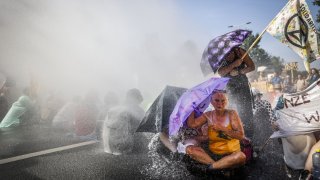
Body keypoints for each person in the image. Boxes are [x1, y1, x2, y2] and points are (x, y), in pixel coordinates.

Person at [179, 91, 246, 171]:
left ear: (227, 101)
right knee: (190, 149)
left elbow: (240, 136)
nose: (220, 104)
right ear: (211, 102)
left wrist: (223, 129)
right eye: (217, 100)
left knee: (241, 156)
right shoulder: (208, 115)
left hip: (231, 155)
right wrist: (191, 107)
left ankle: (212, 167)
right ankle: (219, 167)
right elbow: (192, 124)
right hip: (213, 155)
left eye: (223, 100)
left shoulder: (232, 114)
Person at [217, 47, 255, 138]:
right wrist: (234, 64)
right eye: (225, 56)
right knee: (232, 110)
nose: (227, 57)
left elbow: (252, 66)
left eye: (229, 54)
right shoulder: (219, 56)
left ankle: (249, 138)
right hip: (229, 87)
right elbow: (221, 72)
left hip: (242, 84)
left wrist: (239, 71)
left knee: (246, 111)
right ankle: (235, 135)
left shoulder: (240, 51)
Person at [103, 88, 145, 155]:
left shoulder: (116, 109)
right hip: (129, 146)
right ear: (137, 98)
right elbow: (141, 127)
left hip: (113, 146)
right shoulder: (137, 110)